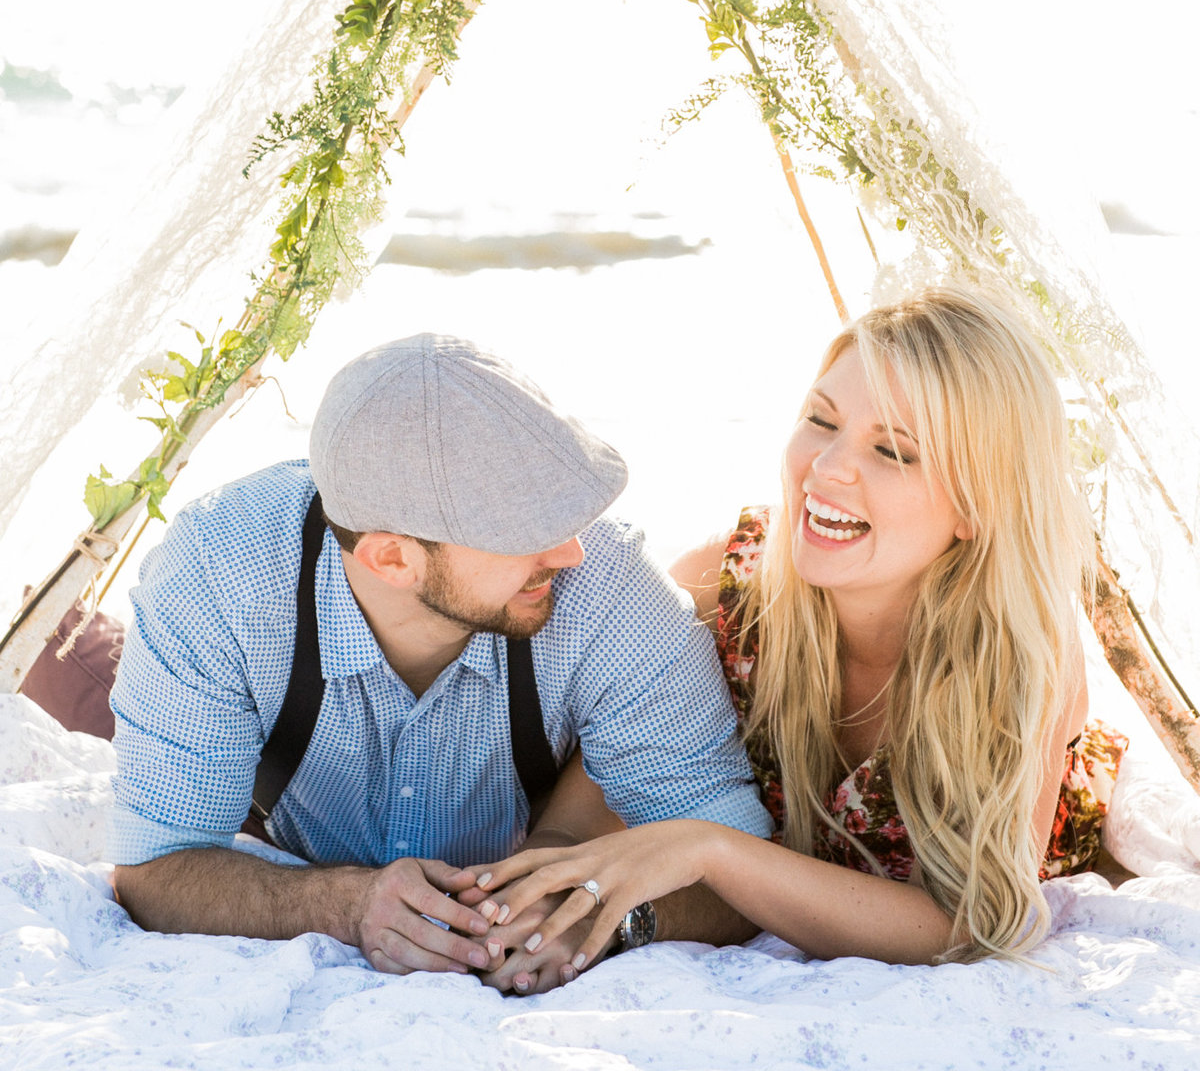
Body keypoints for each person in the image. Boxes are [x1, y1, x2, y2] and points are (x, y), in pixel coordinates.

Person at [466, 288, 1128, 967]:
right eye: (821, 418)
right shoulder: (722, 592)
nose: (829, 467)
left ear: (978, 506)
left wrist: (712, 850)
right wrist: (537, 892)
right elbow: (599, 790)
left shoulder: (1017, 654)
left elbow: (970, 923)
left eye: (894, 452)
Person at [109, 334, 772, 992]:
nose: (569, 551)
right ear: (392, 559)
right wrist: (344, 903)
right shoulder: (214, 573)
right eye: (523, 529)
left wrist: (609, 914)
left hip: (547, 818)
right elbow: (154, 870)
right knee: (70, 670)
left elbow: (740, 866)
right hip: (260, 803)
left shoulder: (611, 584)